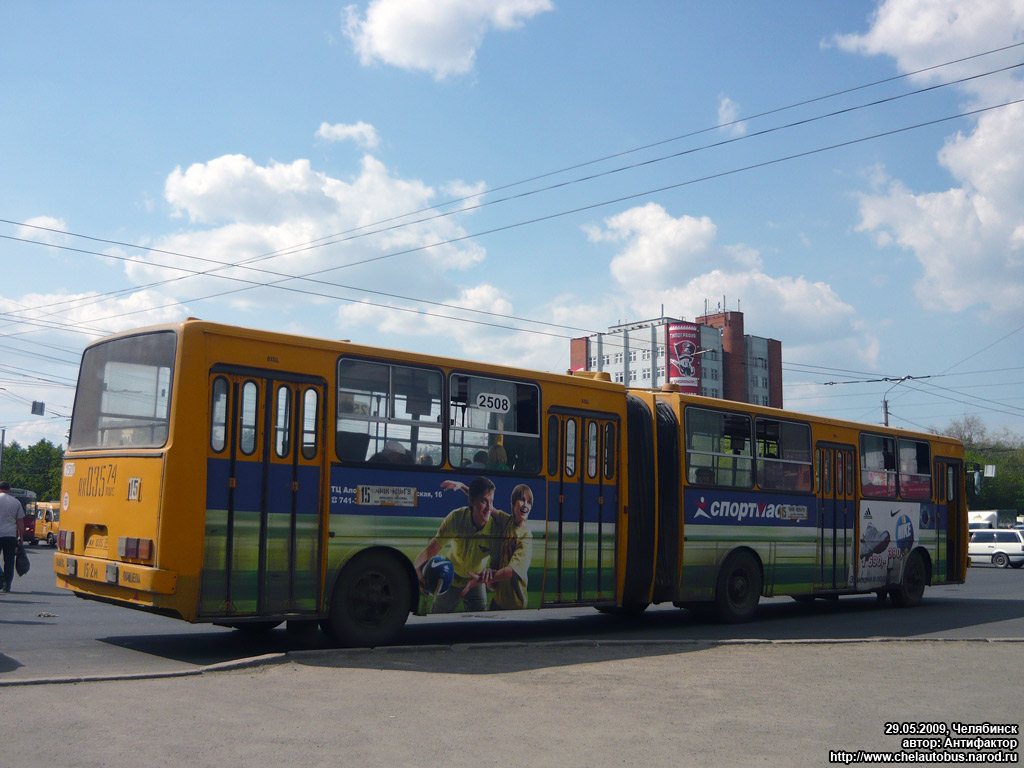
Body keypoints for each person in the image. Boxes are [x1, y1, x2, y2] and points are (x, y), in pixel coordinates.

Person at [413, 476, 507, 613]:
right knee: (437, 621)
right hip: (449, 578)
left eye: (491, 502)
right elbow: (432, 549)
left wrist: (489, 578)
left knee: (482, 624)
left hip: (476, 581)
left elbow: (493, 585)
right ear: (472, 501)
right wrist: (416, 569)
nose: (489, 508)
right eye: (484, 501)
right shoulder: (456, 518)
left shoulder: (496, 530)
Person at [464, 483, 534, 610]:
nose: (525, 505)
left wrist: (483, 578)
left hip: (515, 605)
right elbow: (488, 506)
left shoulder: (526, 536)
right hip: (498, 601)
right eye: (522, 500)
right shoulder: (507, 521)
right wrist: (463, 487)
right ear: (513, 503)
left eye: (529, 502)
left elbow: (510, 572)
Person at [0, 481, 26, 594]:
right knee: (9, 561)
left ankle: (1, 577)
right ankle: (7, 585)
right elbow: (20, 522)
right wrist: (21, 536)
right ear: (9, 489)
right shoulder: (16, 502)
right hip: (10, 535)